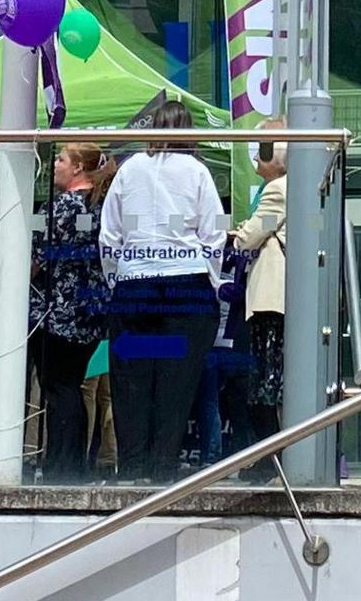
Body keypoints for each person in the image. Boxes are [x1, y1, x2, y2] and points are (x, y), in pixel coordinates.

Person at [99, 99, 226, 482]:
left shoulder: (128, 170)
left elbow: (109, 232)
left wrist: (116, 278)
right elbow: (214, 233)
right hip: (185, 286)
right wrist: (213, 281)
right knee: (176, 379)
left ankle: (132, 466)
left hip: (135, 285)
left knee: (131, 380)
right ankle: (163, 470)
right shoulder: (198, 172)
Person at [31, 142, 112, 481]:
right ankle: (74, 461)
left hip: (56, 313)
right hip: (90, 314)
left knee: (58, 387)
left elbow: (35, 254)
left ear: (78, 167)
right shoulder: (103, 207)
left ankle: (61, 464)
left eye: (61, 159)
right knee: (74, 386)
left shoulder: (62, 207)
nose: (55, 165)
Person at [230, 144, 289, 447]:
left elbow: (249, 237)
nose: (255, 156)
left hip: (270, 298)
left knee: (266, 378)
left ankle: (269, 454)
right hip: (279, 299)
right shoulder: (295, 187)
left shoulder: (277, 190)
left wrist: (241, 232)